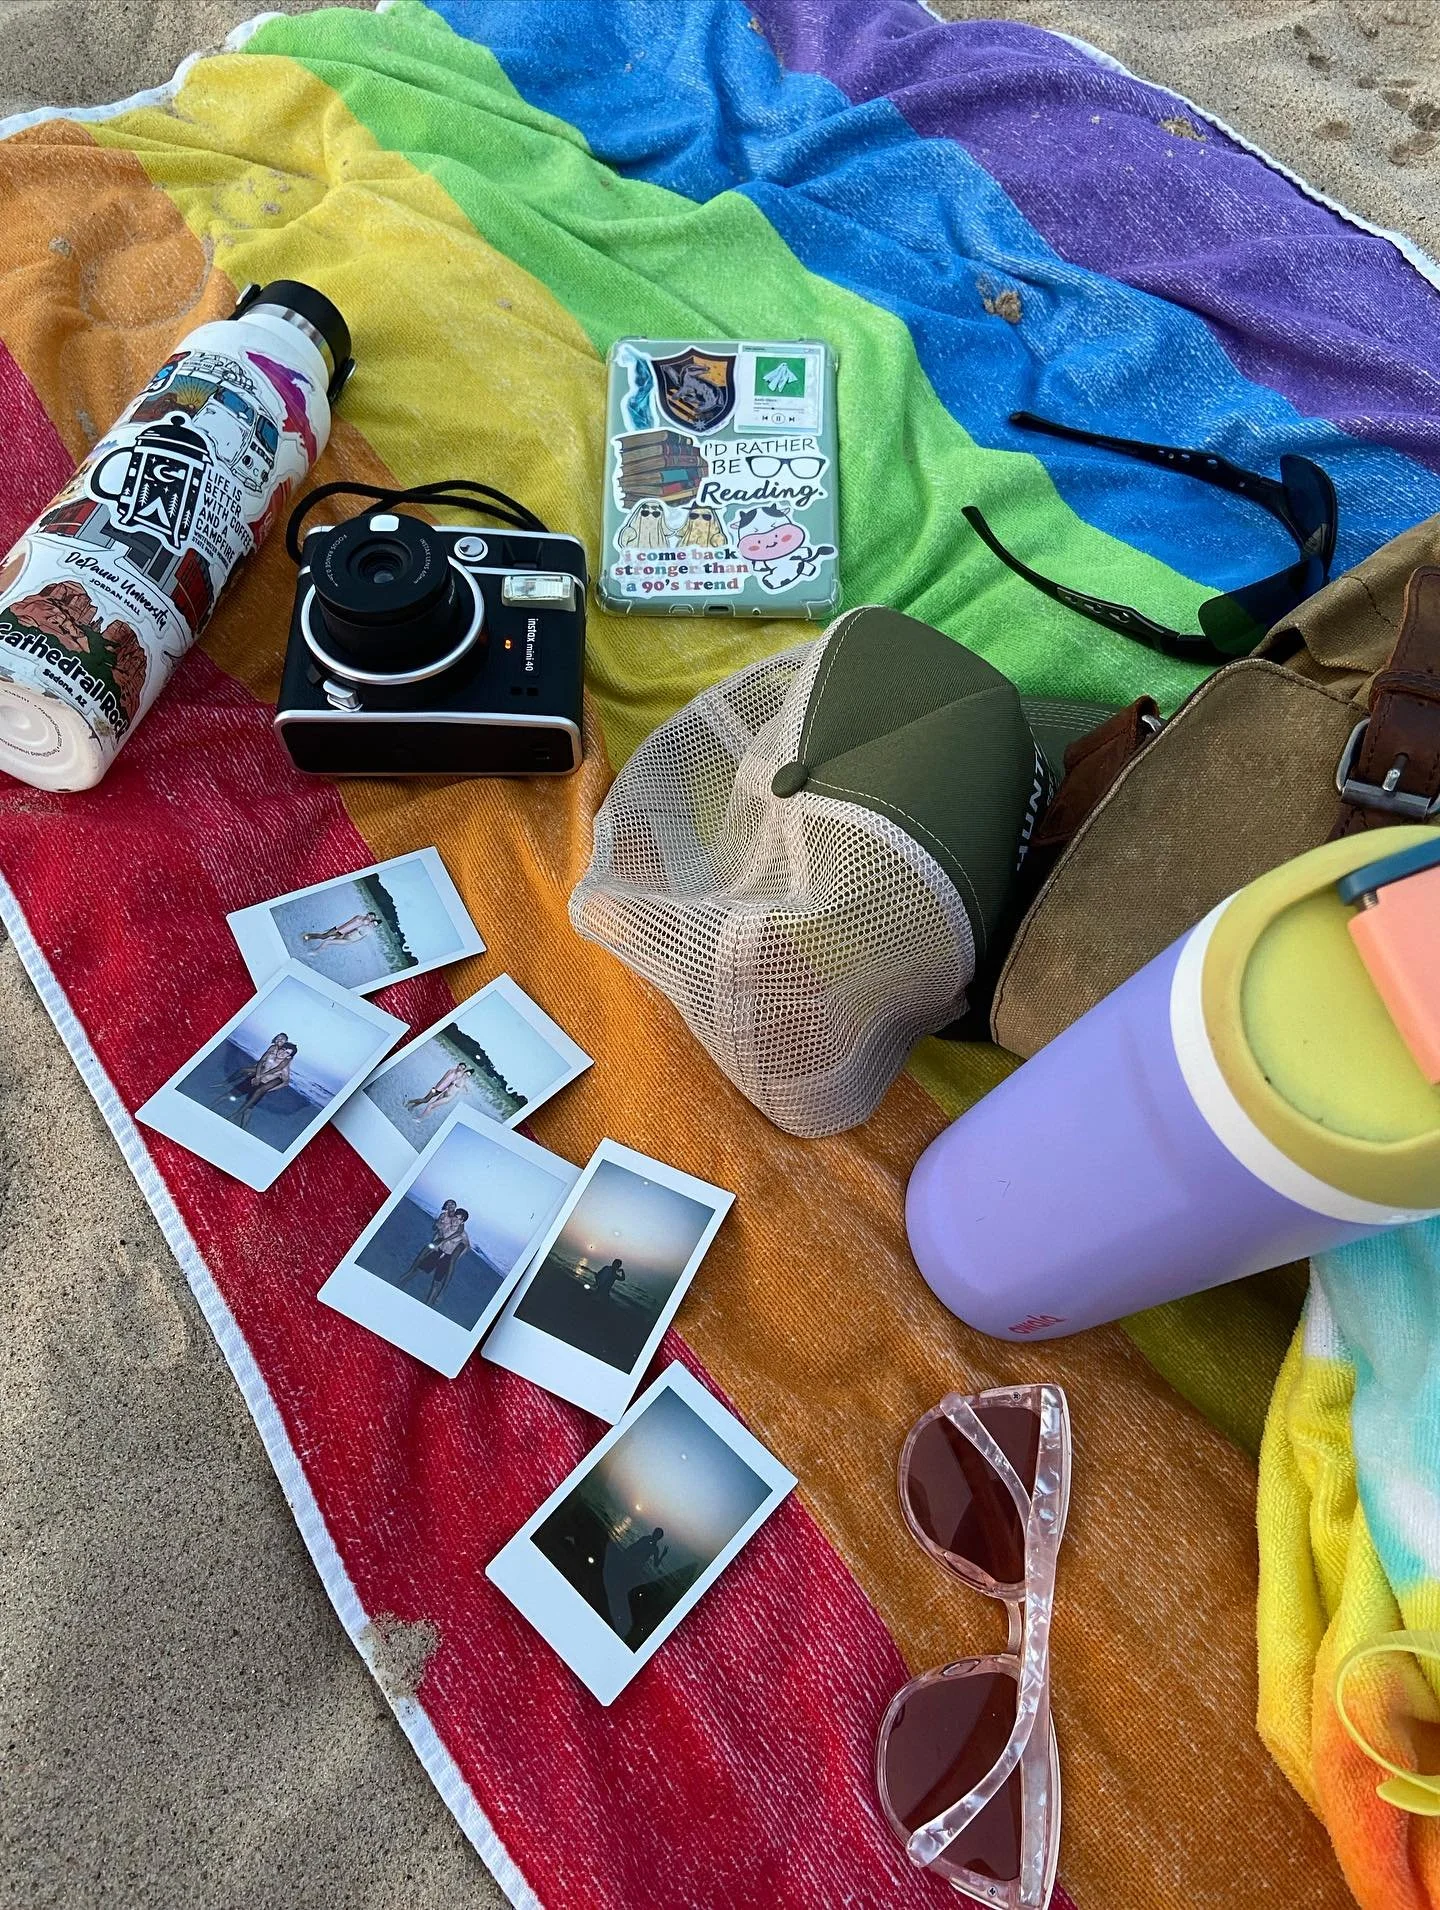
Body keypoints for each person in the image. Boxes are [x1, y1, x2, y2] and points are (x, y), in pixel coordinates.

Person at [403, 1200, 470, 1307]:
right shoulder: (446, 1227)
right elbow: (437, 1236)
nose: (456, 1221)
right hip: (438, 1252)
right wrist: (433, 1247)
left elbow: (467, 1247)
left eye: (459, 1220)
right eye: (455, 1217)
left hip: (447, 1257)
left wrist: (457, 1258)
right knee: (418, 1270)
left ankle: (427, 1305)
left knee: (436, 1283)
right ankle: (401, 1283)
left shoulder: (463, 1235)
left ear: (462, 1222)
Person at [220, 1040, 296, 1129]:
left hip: (262, 1087)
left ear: (289, 1057)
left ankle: (242, 1126)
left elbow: (285, 1083)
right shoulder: (271, 1056)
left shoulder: (284, 1069)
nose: (283, 1053)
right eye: (283, 1049)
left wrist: (269, 1089)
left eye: (287, 1053)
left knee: (248, 1109)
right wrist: (256, 1074)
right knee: (234, 1096)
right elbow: (260, 1064)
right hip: (255, 1080)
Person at [404, 1059, 476, 1118]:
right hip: (436, 1089)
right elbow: (442, 1079)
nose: (460, 1069)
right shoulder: (451, 1071)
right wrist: (435, 1088)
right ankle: (409, 1101)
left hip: (440, 1091)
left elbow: (456, 1083)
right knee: (425, 1100)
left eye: (462, 1068)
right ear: (458, 1065)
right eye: (460, 1067)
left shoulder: (458, 1076)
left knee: (425, 1100)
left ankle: (412, 1106)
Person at [301, 909, 381, 948]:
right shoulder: (358, 917)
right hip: (338, 928)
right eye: (370, 916)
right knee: (324, 936)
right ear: (367, 914)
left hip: (343, 933)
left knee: (327, 940)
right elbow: (347, 923)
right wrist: (336, 929)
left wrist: (343, 935)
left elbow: (353, 930)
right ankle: (308, 936)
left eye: (371, 918)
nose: (370, 918)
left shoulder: (365, 924)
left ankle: (308, 938)